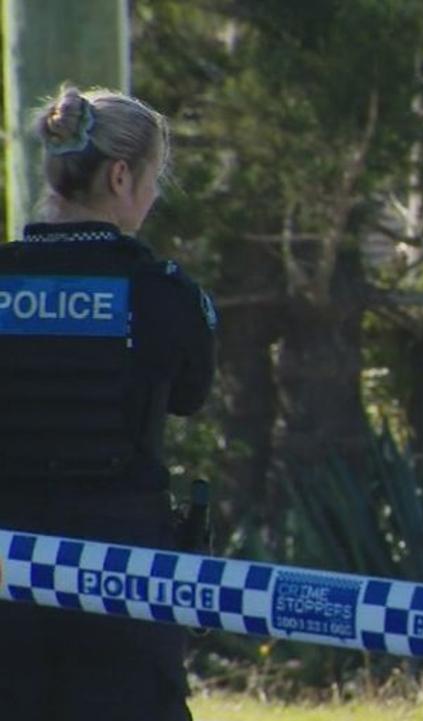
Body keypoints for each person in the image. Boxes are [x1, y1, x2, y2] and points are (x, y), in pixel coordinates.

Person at [0, 85, 216, 721]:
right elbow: (189, 395)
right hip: (123, 576)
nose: (152, 197)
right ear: (121, 176)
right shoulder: (164, 294)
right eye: (153, 178)